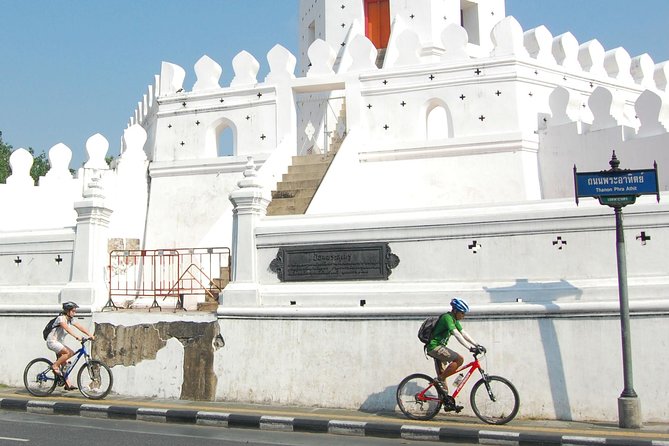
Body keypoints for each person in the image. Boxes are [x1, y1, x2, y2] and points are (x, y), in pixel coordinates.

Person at [426, 298, 485, 393]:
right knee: (459, 359)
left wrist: (477, 345)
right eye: (462, 313)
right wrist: (469, 348)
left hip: (440, 347)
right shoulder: (447, 318)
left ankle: (447, 402)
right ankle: (439, 379)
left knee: (444, 387)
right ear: (455, 311)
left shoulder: (454, 320)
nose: (463, 316)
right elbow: (456, 333)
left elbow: (463, 333)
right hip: (434, 346)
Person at [45, 301, 95, 390]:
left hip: (59, 343)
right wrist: (76, 336)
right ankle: (55, 366)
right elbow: (67, 329)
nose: (74, 313)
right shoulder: (61, 319)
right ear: (67, 311)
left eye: (75, 311)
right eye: (73, 311)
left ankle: (67, 385)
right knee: (69, 353)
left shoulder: (70, 319)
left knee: (65, 365)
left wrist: (90, 334)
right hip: (52, 342)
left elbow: (79, 326)